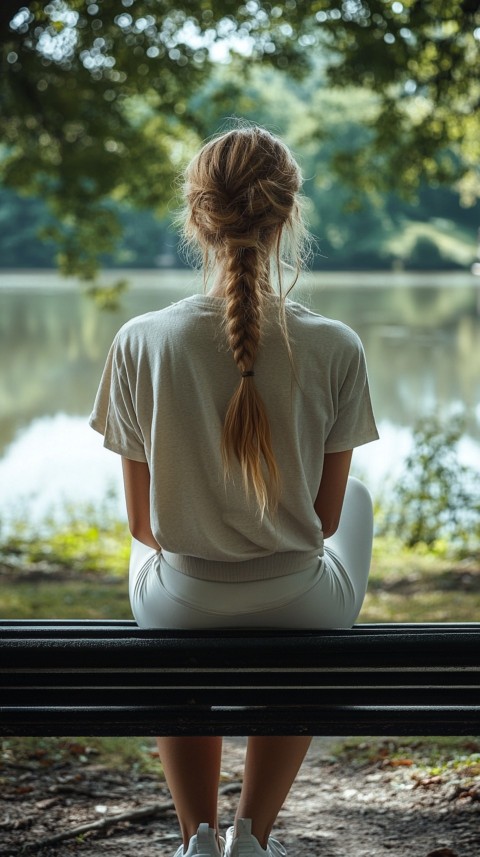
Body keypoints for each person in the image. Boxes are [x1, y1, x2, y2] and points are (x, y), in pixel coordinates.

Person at [90, 124, 379, 857]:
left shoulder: (140, 339)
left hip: (179, 604)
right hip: (301, 601)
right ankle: (253, 835)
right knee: (362, 501)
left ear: (196, 215)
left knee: (152, 555)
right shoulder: (337, 344)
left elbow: (142, 525)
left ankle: (196, 838)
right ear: (287, 215)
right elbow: (324, 517)